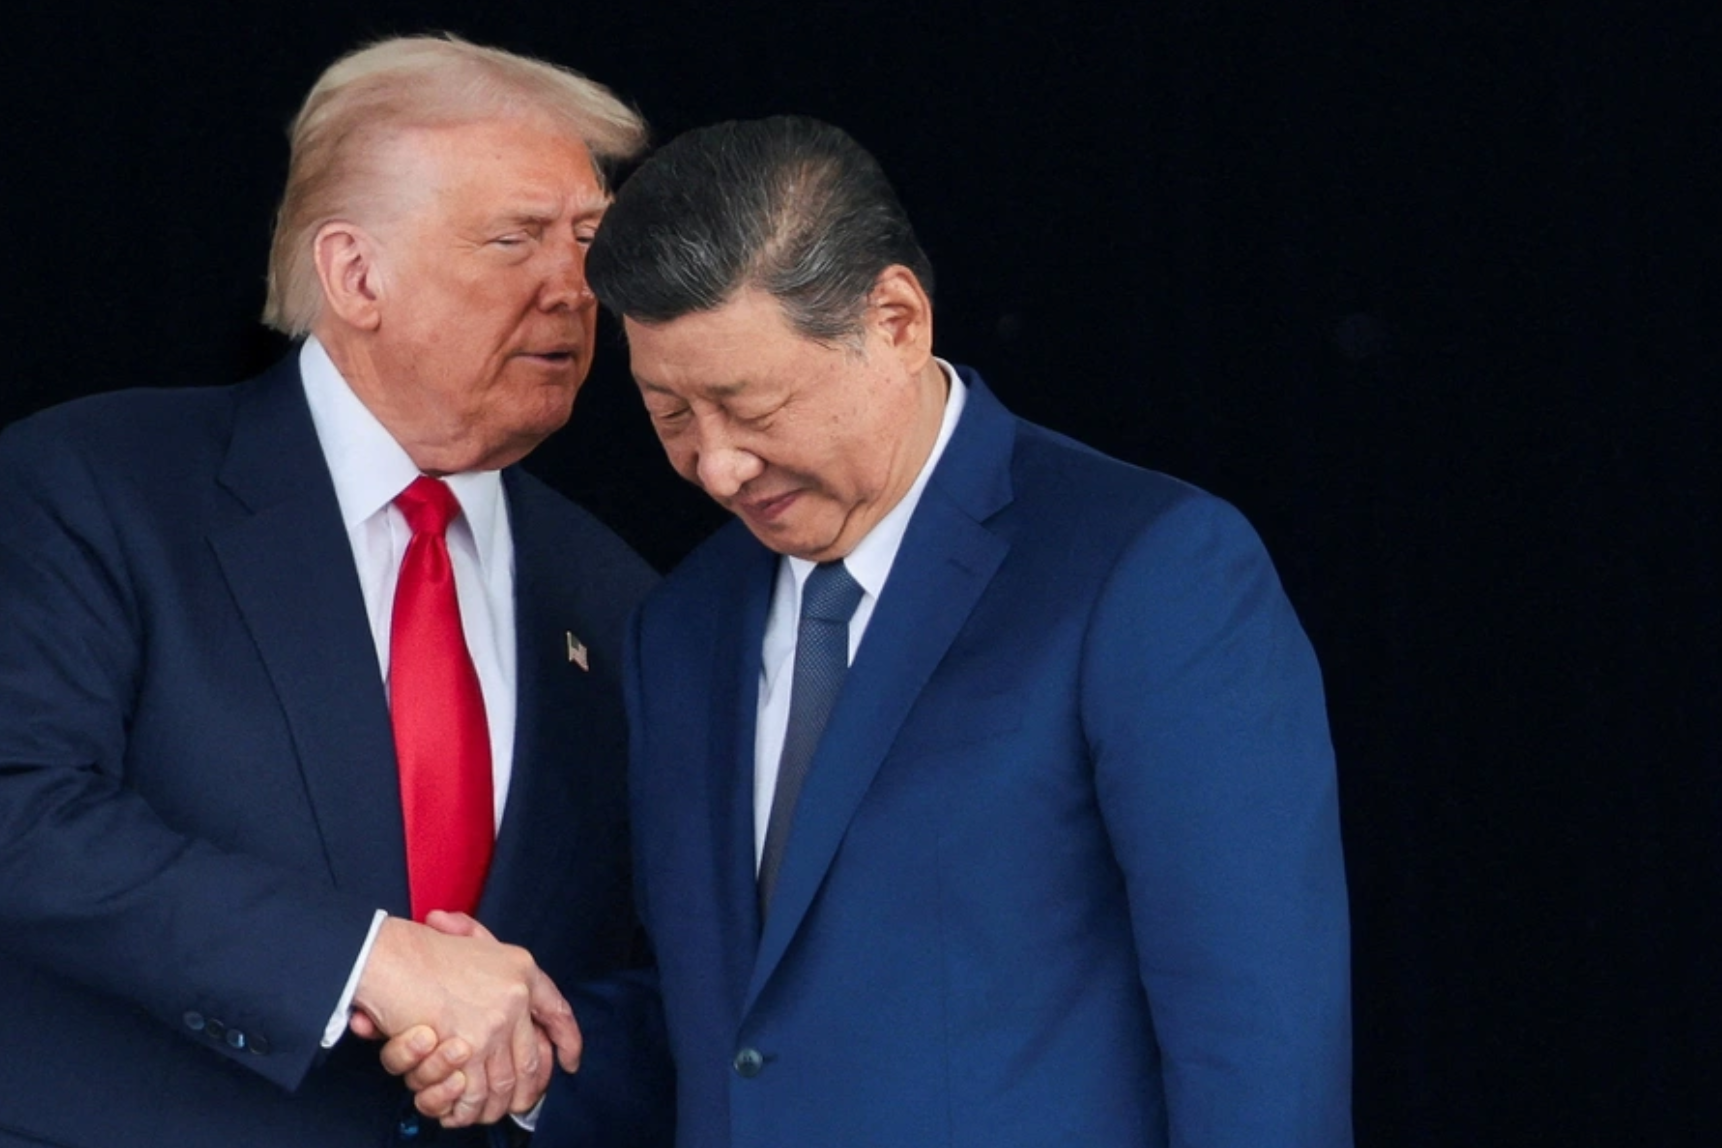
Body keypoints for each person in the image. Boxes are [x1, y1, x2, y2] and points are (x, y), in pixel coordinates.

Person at [534, 113, 1351, 1146]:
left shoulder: (1147, 572)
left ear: (897, 320)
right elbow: (734, 1028)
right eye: (670, 415)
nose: (718, 466)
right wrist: (522, 1049)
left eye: (751, 404)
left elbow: (1256, 1041)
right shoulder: (681, 627)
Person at [0, 35, 669, 1148]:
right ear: (355, 273)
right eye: (515, 240)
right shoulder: (95, 485)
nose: (574, 284)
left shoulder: (622, 598)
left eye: (590, 241)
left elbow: (675, 969)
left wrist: (523, 1064)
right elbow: (19, 809)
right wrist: (367, 958)